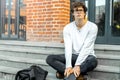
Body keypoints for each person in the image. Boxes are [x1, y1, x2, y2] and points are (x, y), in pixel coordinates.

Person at [46, 2, 98, 80]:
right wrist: (68, 66)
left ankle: (65, 73)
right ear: (73, 13)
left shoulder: (92, 27)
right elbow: (68, 48)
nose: (78, 12)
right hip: (73, 56)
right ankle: (76, 74)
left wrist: (77, 65)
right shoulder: (68, 28)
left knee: (93, 61)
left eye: (81, 10)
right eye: (76, 10)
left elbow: (86, 48)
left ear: (84, 13)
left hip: (87, 56)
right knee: (50, 58)